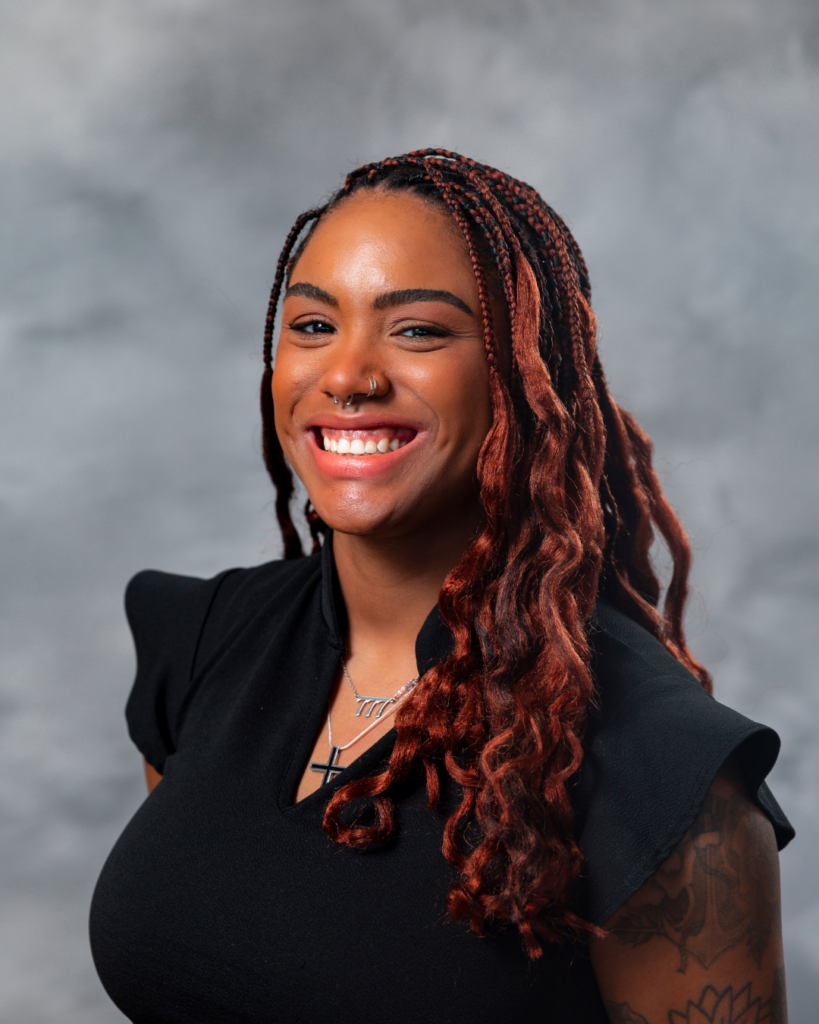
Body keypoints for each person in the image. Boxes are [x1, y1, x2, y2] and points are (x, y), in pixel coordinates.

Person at [90, 150, 793, 1024]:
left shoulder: (662, 777)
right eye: (312, 327)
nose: (346, 376)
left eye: (417, 330)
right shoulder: (205, 641)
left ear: (526, 380)